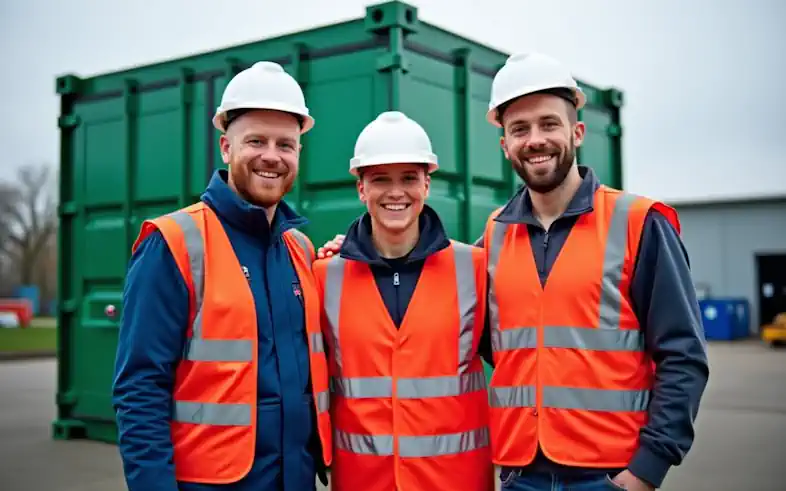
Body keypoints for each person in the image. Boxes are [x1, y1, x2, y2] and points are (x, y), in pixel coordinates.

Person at [318, 53, 709, 491]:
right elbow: (465, 326)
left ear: (577, 132)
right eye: (520, 129)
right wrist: (350, 251)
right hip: (522, 475)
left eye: (549, 124)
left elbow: (683, 355)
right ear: (504, 144)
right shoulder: (496, 239)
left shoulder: (637, 222)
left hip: (610, 475)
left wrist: (646, 470)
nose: (535, 139)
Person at [112, 61, 331, 491]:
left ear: (299, 154)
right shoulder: (174, 242)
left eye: (286, 144)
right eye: (256, 141)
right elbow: (139, 389)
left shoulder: (300, 251)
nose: (272, 155)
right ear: (225, 148)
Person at [312, 111, 495, 491]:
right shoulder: (325, 276)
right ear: (361, 188)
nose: (396, 192)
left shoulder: (474, 269)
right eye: (380, 179)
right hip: (363, 482)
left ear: (427, 184)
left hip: (456, 482)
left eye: (409, 178)